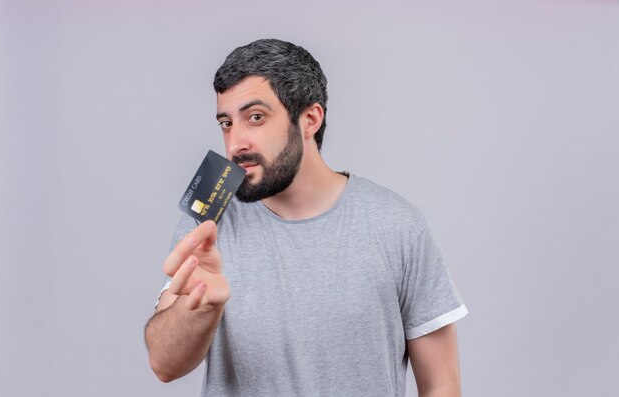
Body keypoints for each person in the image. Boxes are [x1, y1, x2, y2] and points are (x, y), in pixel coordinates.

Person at [144, 38, 468, 397]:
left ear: (310, 119)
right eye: (226, 122)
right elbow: (164, 364)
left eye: (255, 118)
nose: (235, 143)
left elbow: (441, 385)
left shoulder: (400, 227)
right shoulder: (207, 228)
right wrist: (201, 309)